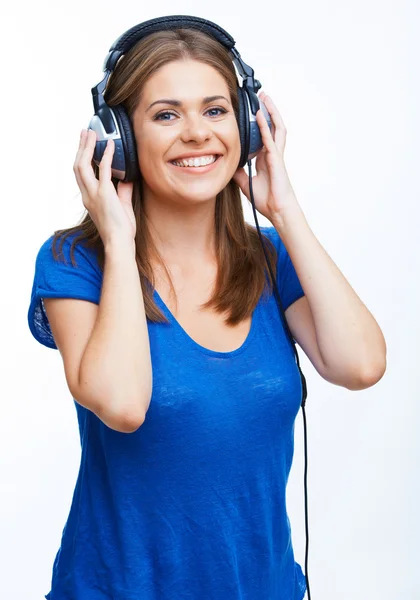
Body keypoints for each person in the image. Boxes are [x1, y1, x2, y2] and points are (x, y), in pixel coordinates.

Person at [28, 19, 387, 600]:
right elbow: (121, 404)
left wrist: (285, 209)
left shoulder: (272, 260)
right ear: (117, 138)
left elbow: (361, 365)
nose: (197, 133)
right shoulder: (76, 262)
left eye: (217, 111)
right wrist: (120, 243)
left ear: (247, 127)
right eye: (166, 115)